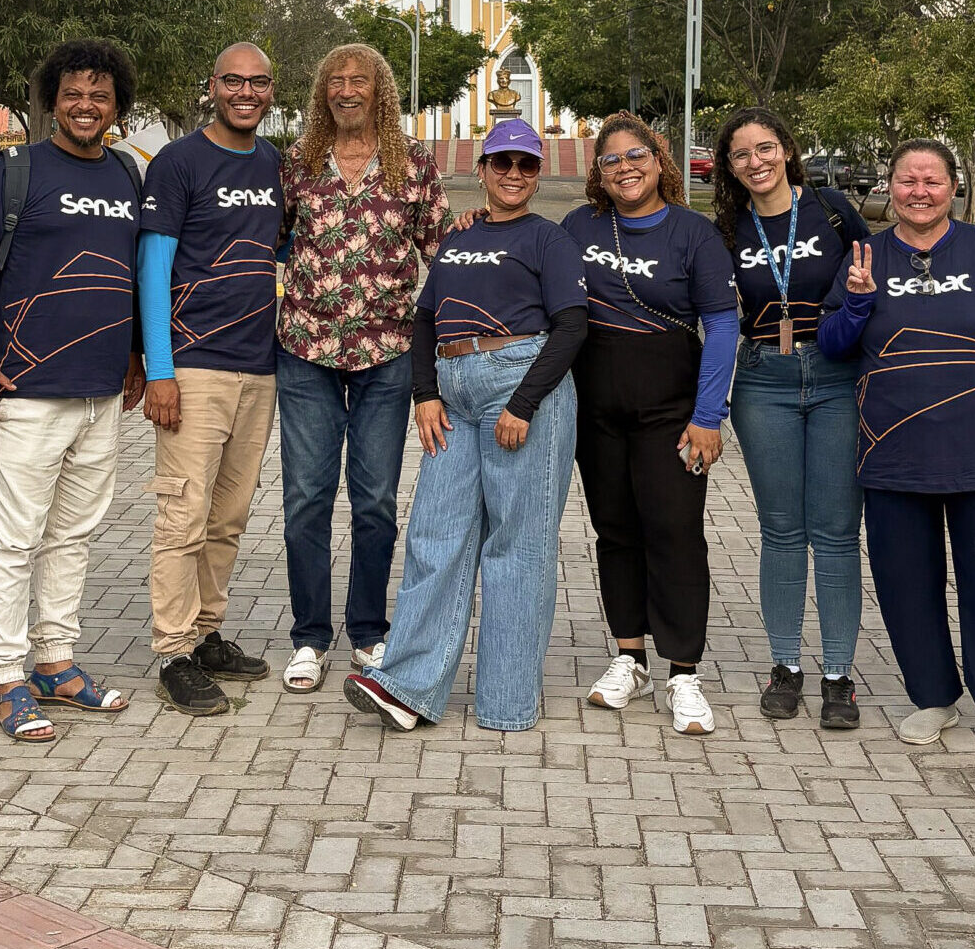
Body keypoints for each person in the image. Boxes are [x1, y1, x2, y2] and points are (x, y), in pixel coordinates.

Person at [817, 139, 975, 761]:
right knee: (905, 582)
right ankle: (933, 696)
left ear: (954, 187)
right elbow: (834, 343)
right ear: (888, 188)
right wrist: (861, 299)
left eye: (931, 180)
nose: (919, 192)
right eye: (906, 181)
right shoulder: (863, 254)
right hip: (892, 446)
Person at [343, 119, 586, 731]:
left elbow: (572, 326)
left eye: (526, 165)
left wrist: (524, 404)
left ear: (539, 174)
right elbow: (425, 320)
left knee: (516, 546)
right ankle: (409, 687)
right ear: (480, 169)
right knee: (434, 534)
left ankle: (506, 702)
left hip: (521, 384)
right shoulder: (457, 238)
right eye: (501, 163)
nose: (512, 174)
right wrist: (425, 394)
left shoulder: (548, 239)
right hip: (453, 393)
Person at [0, 39, 145, 742]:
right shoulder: (17, 171)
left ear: (116, 104)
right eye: (73, 93)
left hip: (100, 393)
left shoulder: (128, 174)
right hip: (26, 390)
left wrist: (137, 353)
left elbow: (132, 272)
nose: (85, 104)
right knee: (12, 540)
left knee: (73, 535)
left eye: (99, 93)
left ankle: (56, 663)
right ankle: (6, 676)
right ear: (51, 100)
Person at [275, 43, 450, 693]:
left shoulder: (414, 167)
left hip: (387, 358)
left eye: (361, 81)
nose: (347, 90)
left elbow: (445, 255)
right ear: (323, 92)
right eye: (336, 82)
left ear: (381, 92)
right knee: (304, 502)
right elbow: (261, 238)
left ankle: (369, 630)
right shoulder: (297, 164)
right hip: (305, 354)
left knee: (374, 502)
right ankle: (310, 637)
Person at [562, 112, 739, 735]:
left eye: (636, 155)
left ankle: (684, 673)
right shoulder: (579, 226)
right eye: (611, 160)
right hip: (596, 409)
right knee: (615, 532)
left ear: (660, 161)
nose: (625, 168)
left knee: (675, 532)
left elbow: (721, 327)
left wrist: (708, 416)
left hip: (672, 412)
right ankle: (629, 657)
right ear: (598, 174)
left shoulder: (694, 234)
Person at [140, 43, 285, 715]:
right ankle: (172, 650)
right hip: (193, 368)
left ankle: (206, 634)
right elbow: (152, 268)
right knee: (184, 515)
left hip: (259, 367)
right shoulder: (178, 162)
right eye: (233, 80)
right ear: (212, 87)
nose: (245, 92)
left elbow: (283, 250)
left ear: (271, 91)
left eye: (257, 82)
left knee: (227, 518)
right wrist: (159, 370)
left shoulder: (274, 164)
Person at [712, 107, 868, 731]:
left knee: (834, 531)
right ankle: (785, 667)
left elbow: (870, 283)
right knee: (780, 530)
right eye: (742, 153)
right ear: (728, 166)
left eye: (766, 147)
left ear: (787, 150)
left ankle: (837, 676)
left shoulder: (833, 210)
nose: (757, 161)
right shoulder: (725, 228)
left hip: (835, 376)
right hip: (762, 381)